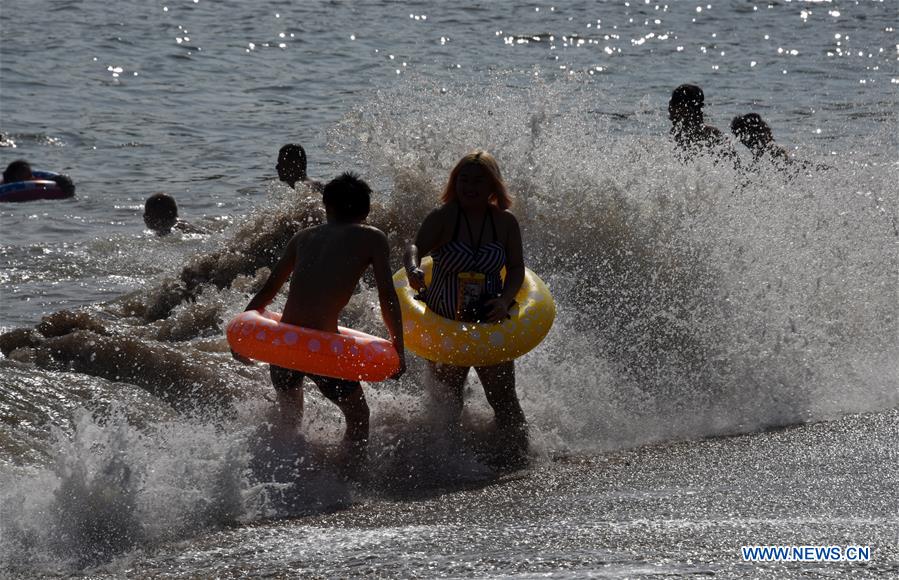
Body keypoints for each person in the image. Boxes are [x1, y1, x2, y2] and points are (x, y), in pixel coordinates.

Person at [239, 172, 406, 463]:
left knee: (290, 419)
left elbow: (269, 290)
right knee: (358, 416)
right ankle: (345, 480)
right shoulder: (372, 237)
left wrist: (241, 336)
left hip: (284, 343)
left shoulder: (303, 237)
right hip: (322, 349)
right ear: (366, 211)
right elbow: (387, 297)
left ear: (325, 206)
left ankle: (285, 471)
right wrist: (398, 349)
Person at [403, 150, 529, 467]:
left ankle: (519, 460)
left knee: (503, 399)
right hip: (445, 322)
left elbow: (515, 269)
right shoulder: (444, 217)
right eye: (463, 179)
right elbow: (414, 247)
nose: (469, 186)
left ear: (493, 185)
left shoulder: (504, 222)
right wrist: (412, 268)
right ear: (454, 182)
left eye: (478, 180)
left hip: (488, 320)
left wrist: (504, 301)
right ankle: (448, 465)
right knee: (450, 402)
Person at [668, 84, 736, 162]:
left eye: (671, 105)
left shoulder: (713, 135)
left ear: (683, 108)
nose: (669, 110)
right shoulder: (714, 134)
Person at [2, 159, 75, 195]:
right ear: (15, 177)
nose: (33, 178)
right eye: (28, 176)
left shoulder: (35, 181)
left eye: (31, 175)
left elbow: (50, 180)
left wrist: (63, 182)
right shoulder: (3, 187)